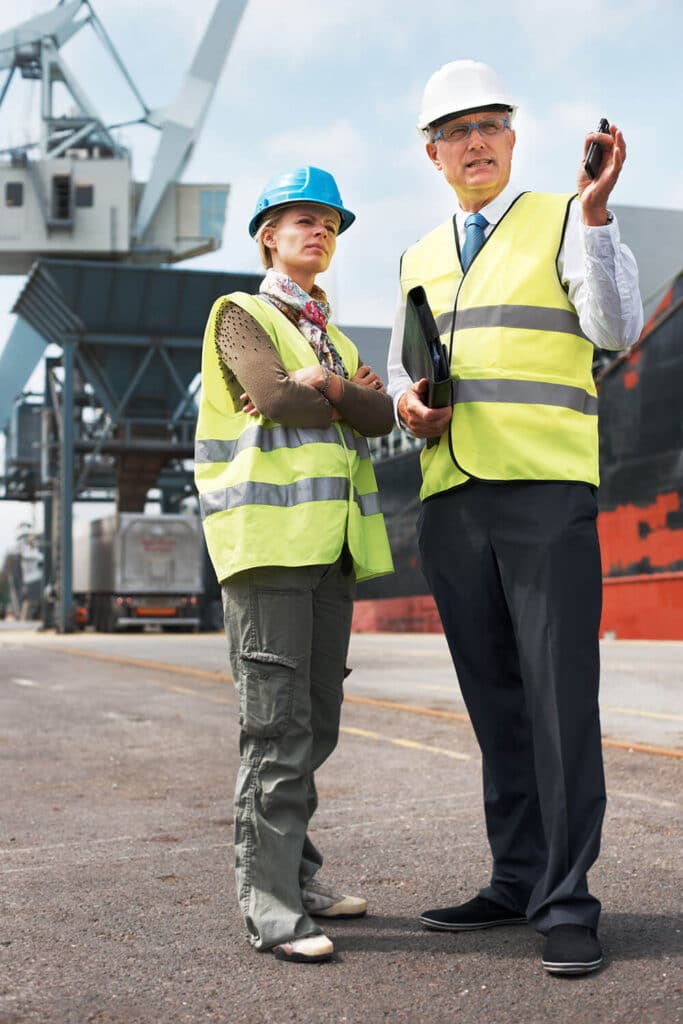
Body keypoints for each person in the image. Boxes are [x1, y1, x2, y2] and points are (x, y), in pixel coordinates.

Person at [387, 61, 643, 975]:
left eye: (490, 123)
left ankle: (567, 901)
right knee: (495, 701)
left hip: (542, 494)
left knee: (558, 700)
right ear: (432, 153)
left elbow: (612, 328)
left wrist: (601, 214)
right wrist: (406, 408)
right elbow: (399, 375)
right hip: (451, 501)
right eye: (456, 131)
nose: (476, 142)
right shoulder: (417, 254)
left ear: (512, 135)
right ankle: (517, 877)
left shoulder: (567, 218)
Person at [195, 166, 394, 963]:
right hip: (268, 548)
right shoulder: (239, 313)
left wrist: (329, 381)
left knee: (315, 724)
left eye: (330, 224)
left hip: (331, 550)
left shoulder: (334, 338)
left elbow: (379, 418)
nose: (319, 232)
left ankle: (296, 871)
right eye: (301, 219)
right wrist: (327, 390)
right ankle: (271, 908)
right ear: (267, 235)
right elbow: (273, 399)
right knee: (275, 730)